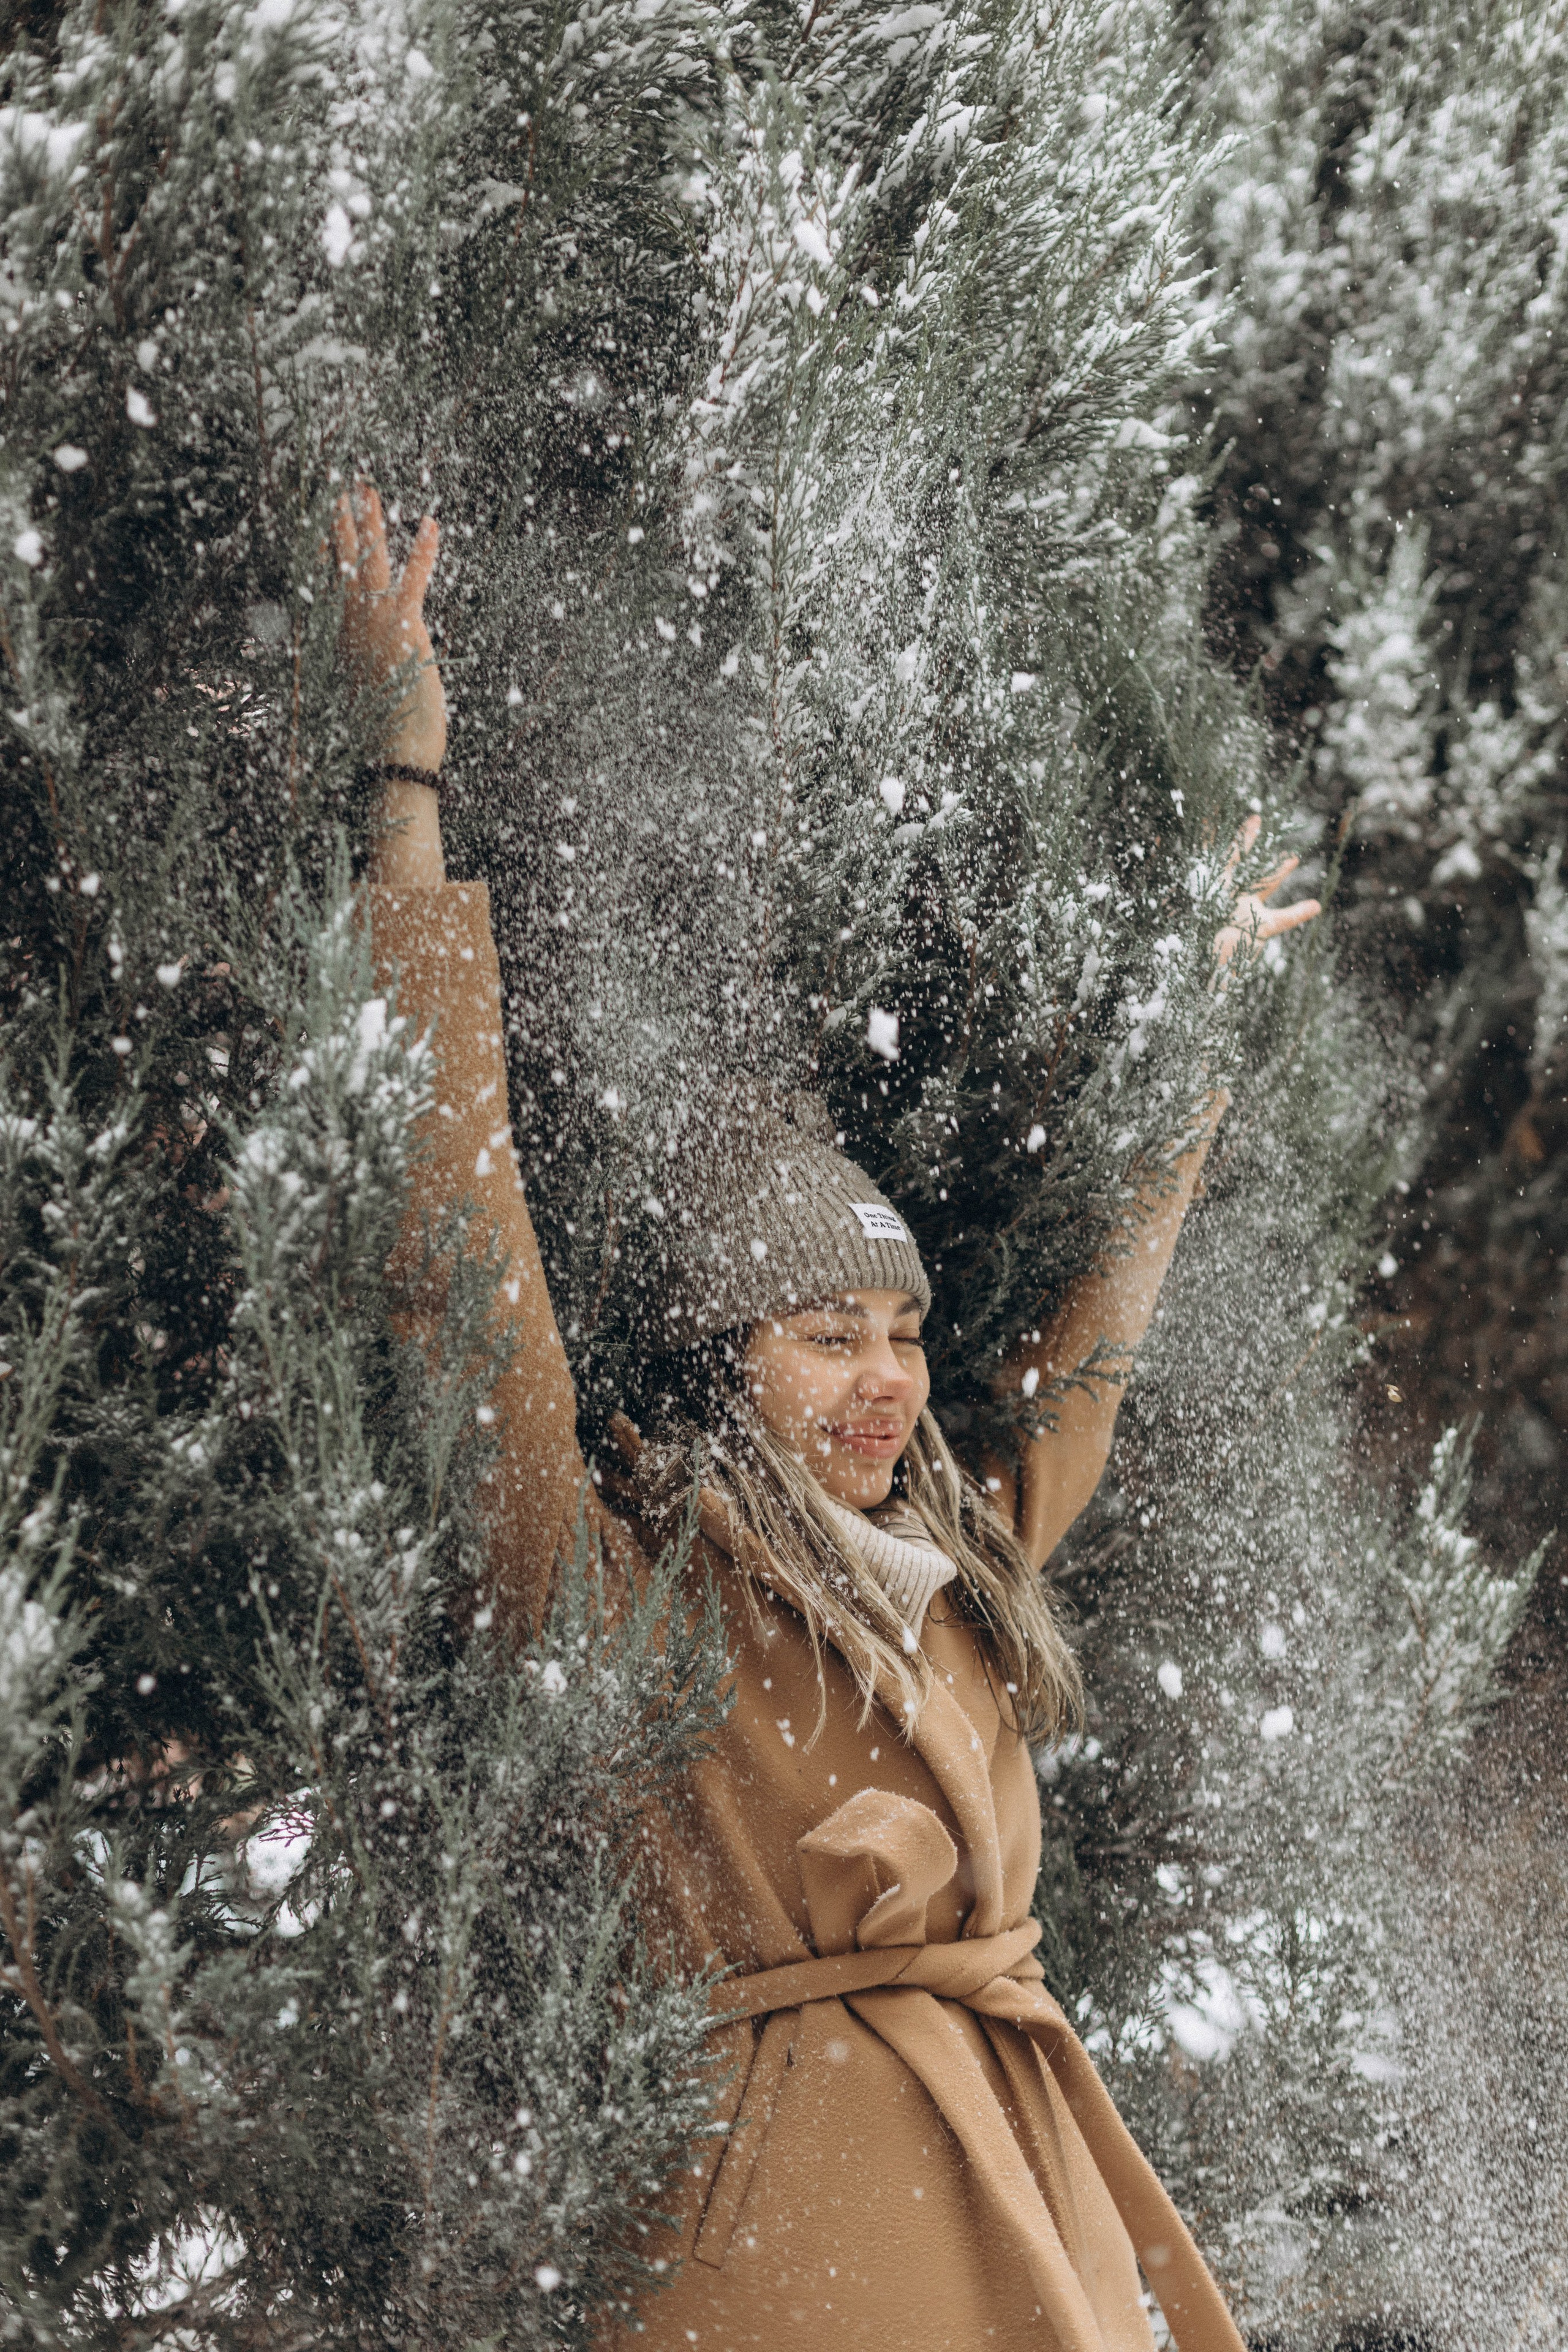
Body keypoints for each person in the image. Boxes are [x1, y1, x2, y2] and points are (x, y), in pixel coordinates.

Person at [337, 486, 1318, 2352]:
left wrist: (1193, 1064)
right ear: (727, 1357)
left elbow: (1093, 1370)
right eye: (823, 1334)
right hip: (780, 2267)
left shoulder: (958, 1561)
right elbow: (467, 1272)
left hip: (1028, 2212)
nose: (886, 1379)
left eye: (901, 1332)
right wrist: (405, 792)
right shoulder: (628, 1596)